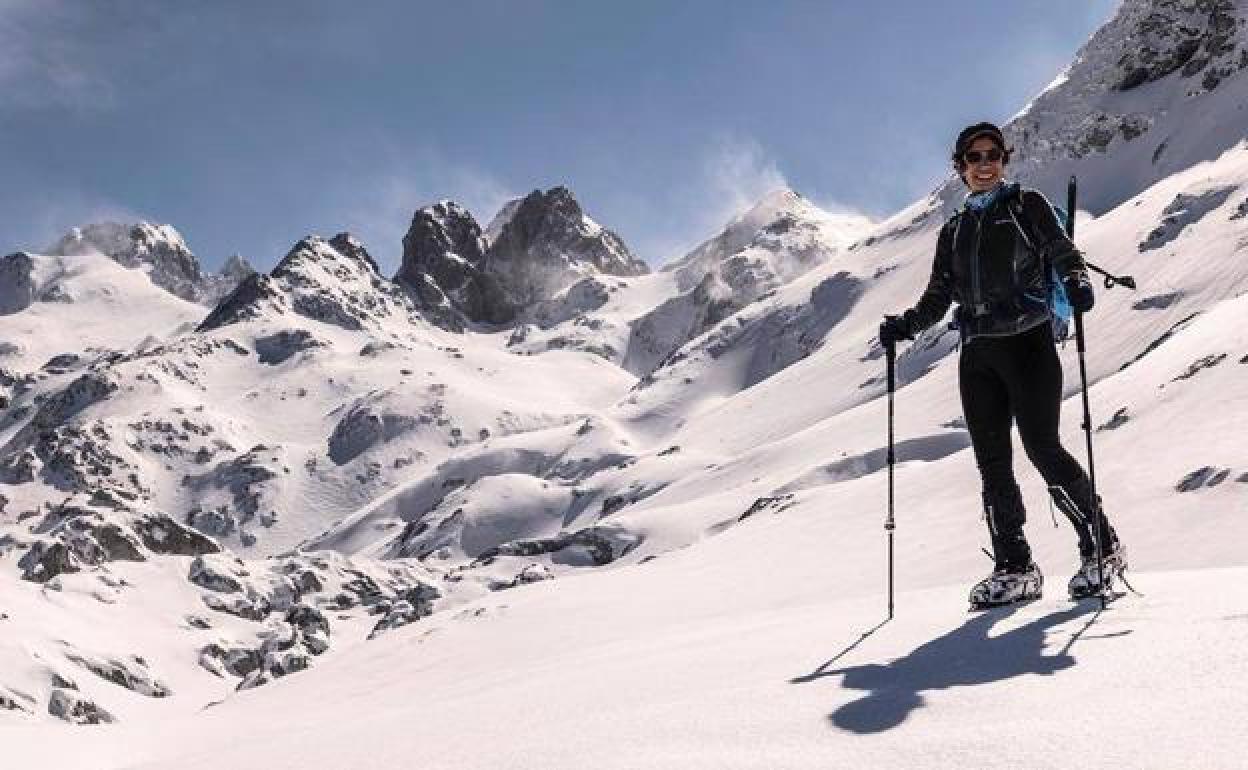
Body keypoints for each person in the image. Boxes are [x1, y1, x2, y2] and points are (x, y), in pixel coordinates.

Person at [879, 121, 1126, 608]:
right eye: (975, 157)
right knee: (992, 465)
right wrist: (904, 325)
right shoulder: (953, 231)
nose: (985, 163)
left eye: (993, 154)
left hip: (1029, 344)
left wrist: (1077, 280)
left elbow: (1062, 252)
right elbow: (937, 298)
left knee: (1044, 449)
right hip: (978, 356)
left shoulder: (1025, 205)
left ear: (1004, 160)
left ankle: (1102, 546)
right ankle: (1014, 567)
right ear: (960, 168)